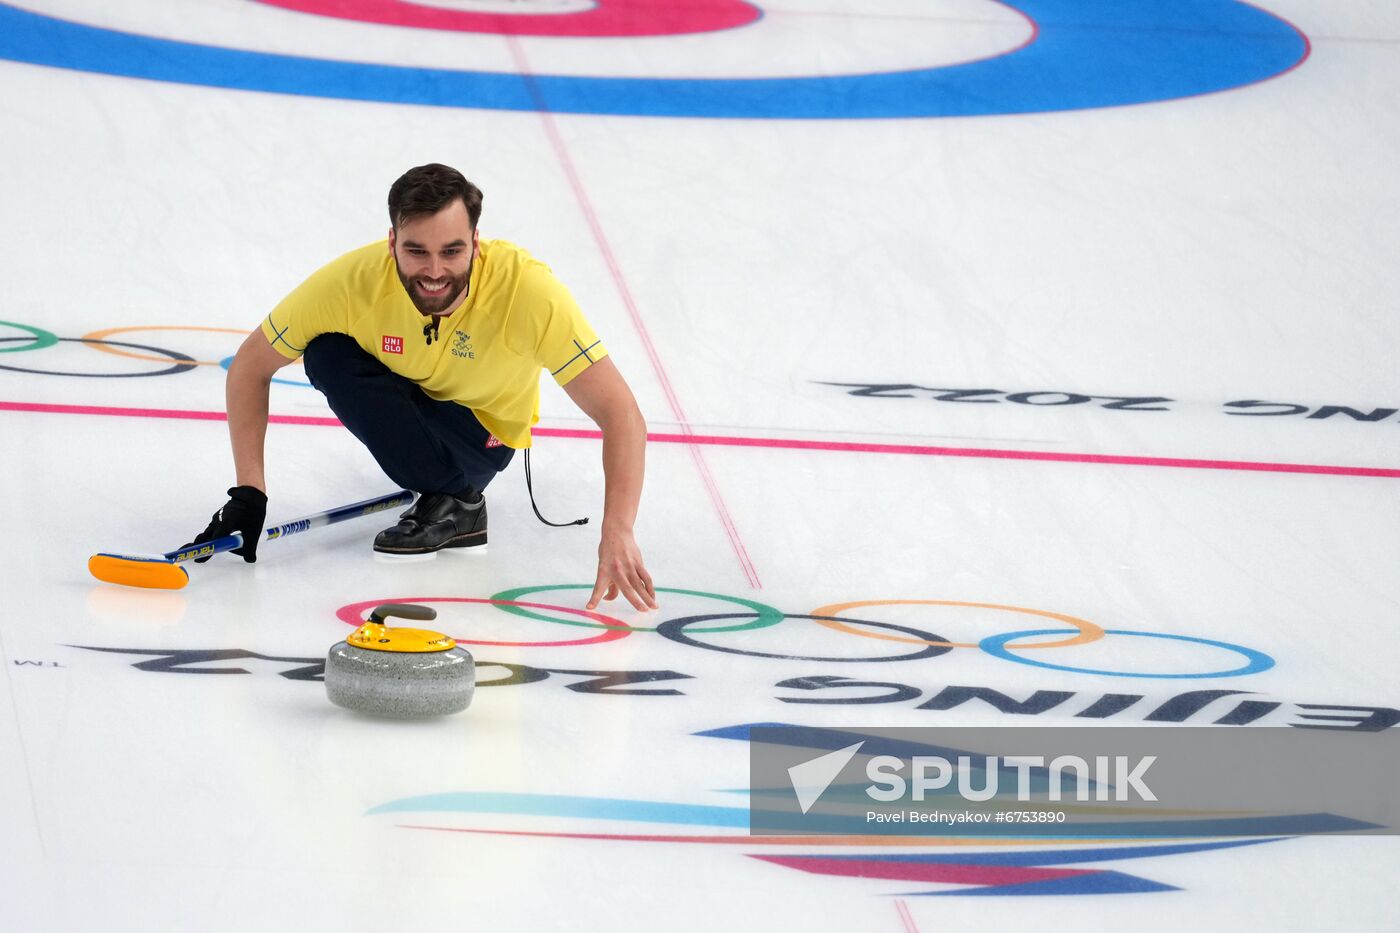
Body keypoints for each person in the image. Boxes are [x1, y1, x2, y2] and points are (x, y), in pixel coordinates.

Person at [187, 163, 658, 612]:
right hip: (414, 402)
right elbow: (250, 366)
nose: (434, 272)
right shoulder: (353, 283)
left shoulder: (527, 292)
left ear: (476, 241)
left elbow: (621, 414)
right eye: (417, 251)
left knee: (358, 373)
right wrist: (250, 493)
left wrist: (618, 528)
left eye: (452, 251)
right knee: (326, 352)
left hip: (481, 436)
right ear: (392, 242)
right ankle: (444, 496)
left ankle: (462, 503)